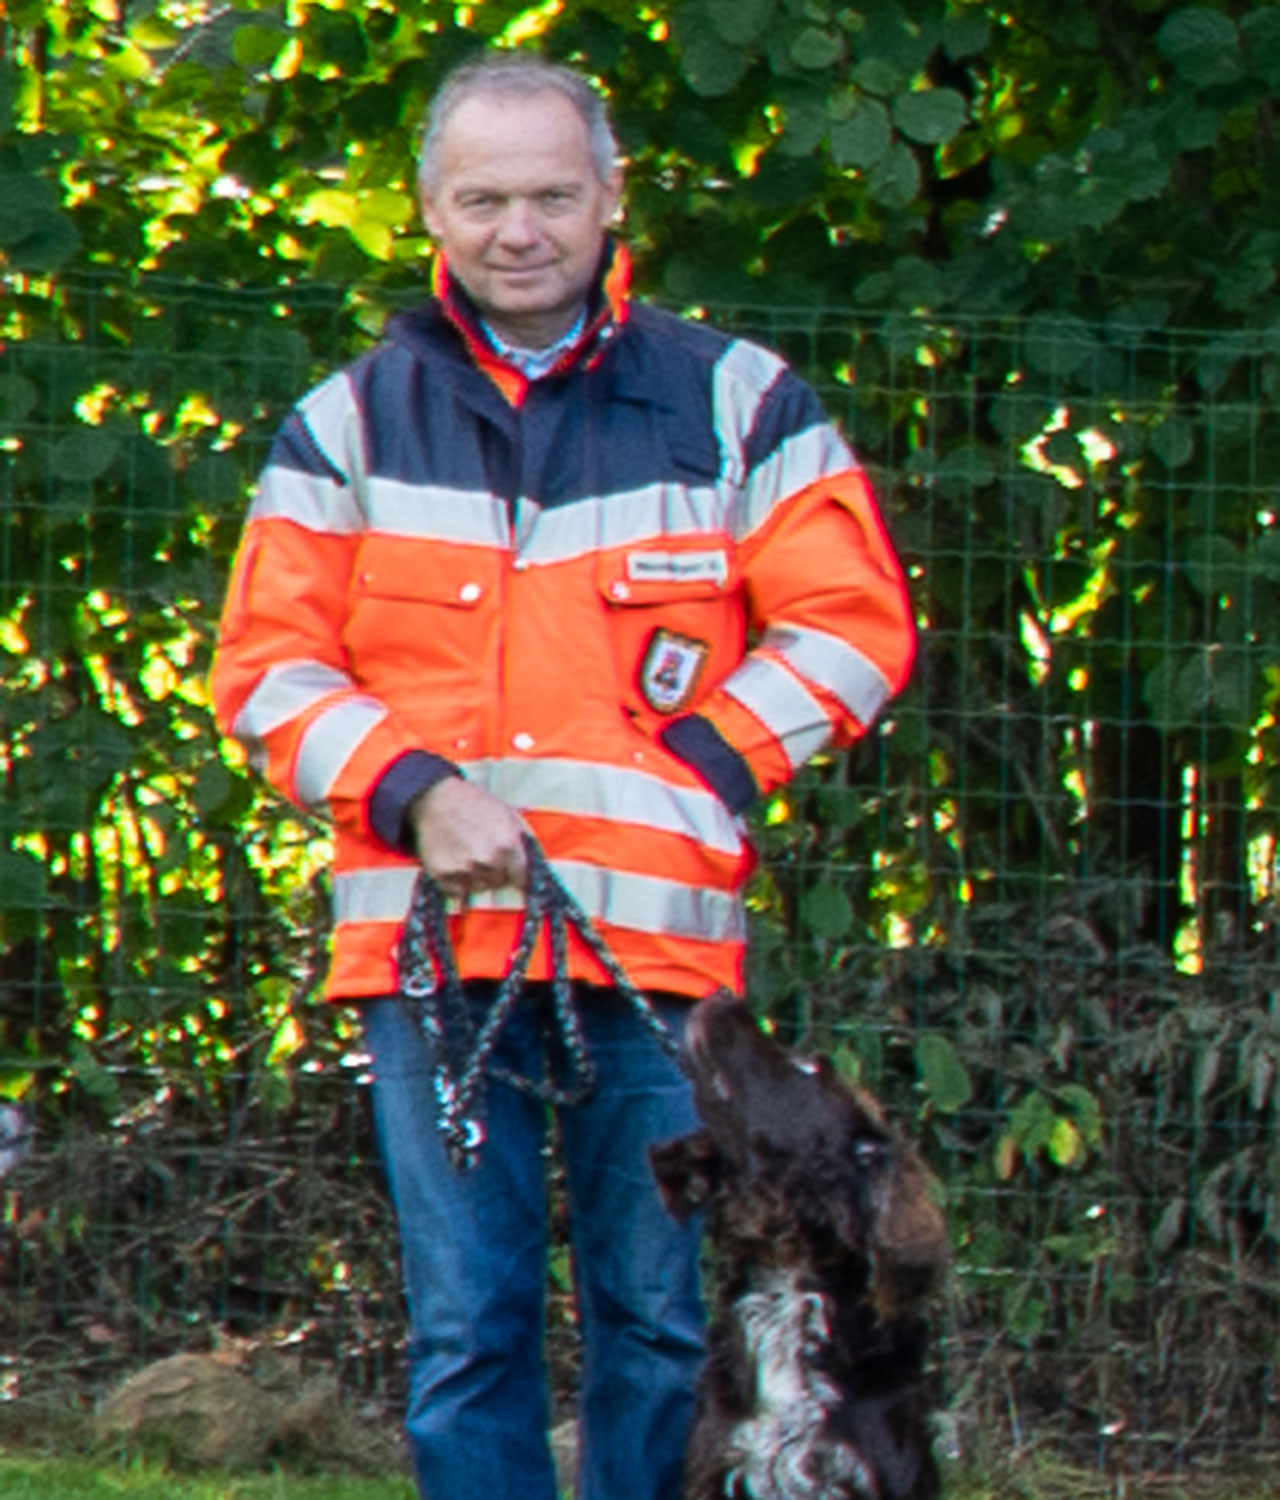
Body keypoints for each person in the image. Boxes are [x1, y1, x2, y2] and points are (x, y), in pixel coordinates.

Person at [209, 50, 916, 1500]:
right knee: (469, 1329)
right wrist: (416, 792)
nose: (515, 230)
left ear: (607, 198)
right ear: (427, 208)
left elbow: (856, 628)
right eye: (482, 198)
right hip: (424, 951)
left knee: (655, 1326)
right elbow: (267, 672)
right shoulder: (343, 425)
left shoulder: (736, 401)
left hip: (655, 956)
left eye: (547, 195)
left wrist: (700, 770)